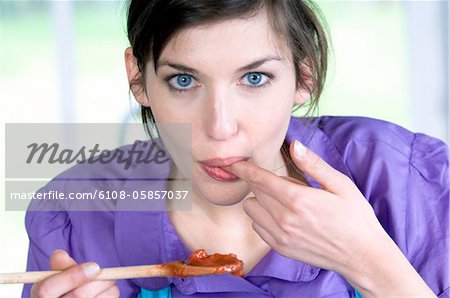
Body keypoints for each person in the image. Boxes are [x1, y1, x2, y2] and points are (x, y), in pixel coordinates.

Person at [23, 0, 449, 297]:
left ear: (305, 74)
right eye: (184, 80)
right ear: (138, 78)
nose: (220, 127)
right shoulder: (75, 217)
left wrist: (372, 264)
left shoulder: (407, 179)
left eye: (255, 78)